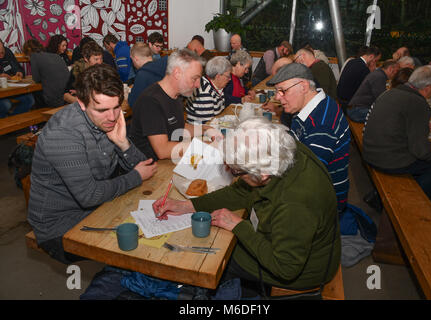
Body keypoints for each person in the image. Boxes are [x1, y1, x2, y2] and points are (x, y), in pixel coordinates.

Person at [152, 117, 340, 295]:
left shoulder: (296, 204)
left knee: (215, 257)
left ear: (263, 173)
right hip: (289, 241)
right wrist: (188, 205)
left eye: (236, 171)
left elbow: (286, 268)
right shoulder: (281, 148)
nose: (233, 174)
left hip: (304, 270)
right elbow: (240, 191)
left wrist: (239, 226)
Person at [28, 64, 157, 264]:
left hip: (98, 207)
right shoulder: (63, 133)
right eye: (102, 110)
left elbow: (146, 166)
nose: (112, 117)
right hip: (59, 226)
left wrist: (123, 143)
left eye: (116, 107)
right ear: (81, 103)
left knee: (156, 225)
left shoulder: (107, 121)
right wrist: (135, 176)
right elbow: (90, 195)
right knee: (141, 245)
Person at [267, 63, 350, 212]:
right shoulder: (310, 107)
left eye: (282, 91)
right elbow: (293, 146)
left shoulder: (323, 125)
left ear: (304, 87)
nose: (277, 97)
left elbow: (305, 178)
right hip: (308, 182)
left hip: (323, 202)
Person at [363, 65, 431, 198]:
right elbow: (420, 150)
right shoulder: (419, 104)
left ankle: (378, 196)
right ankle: (415, 202)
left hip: (369, 152)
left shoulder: (390, 92)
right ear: (428, 87)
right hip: (386, 160)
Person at [129, 49, 220, 160]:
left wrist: (205, 129)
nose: (197, 85)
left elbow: (178, 126)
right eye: (195, 78)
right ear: (177, 73)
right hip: (152, 168)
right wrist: (204, 147)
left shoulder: (176, 95)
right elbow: (163, 150)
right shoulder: (151, 101)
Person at [23, 39, 70, 108]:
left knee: (33, 96)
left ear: (28, 51)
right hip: (66, 94)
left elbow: (36, 79)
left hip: (55, 99)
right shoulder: (55, 56)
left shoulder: (34, 57)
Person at [185, 56, 232, 124]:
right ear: (218, 76)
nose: (230, 79)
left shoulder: (216, 86)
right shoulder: (204, 93)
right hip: (198, 131)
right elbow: (207, 125)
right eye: (228, 76)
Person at [337, 45, 381, 112]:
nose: (375, 63)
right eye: (376, 60)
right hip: (348, 104)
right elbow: (368, 89)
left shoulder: (351, 61)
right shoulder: (364, 69)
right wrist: (372, 71)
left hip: (340, 99)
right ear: (371, 56)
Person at [0, 40, 34, 118]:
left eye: (2, 52)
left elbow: (18, 68)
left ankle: (13, 121)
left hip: (10, 89)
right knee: (6, 105)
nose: (1, 55)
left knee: (29, 100)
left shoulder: (8, 52)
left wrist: (20, 73)